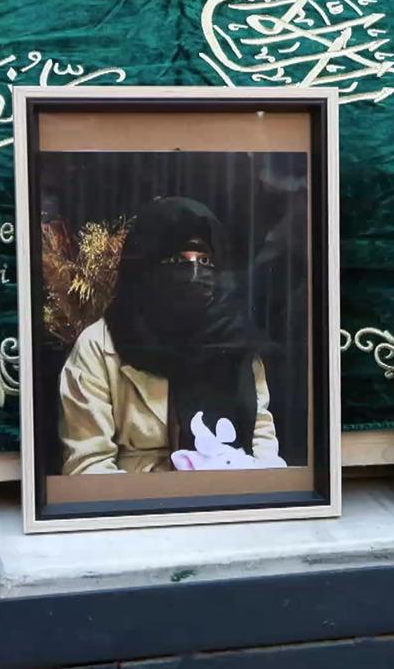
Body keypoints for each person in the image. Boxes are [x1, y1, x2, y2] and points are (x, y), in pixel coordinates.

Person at [57, 197, 281, 474]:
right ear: (145, 266)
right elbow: (88, 466)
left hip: (234, 491)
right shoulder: (100, 347)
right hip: (137, 496)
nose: (195, 273)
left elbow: (262, 441)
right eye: (177, 260)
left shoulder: (235, 342)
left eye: (205, 260)